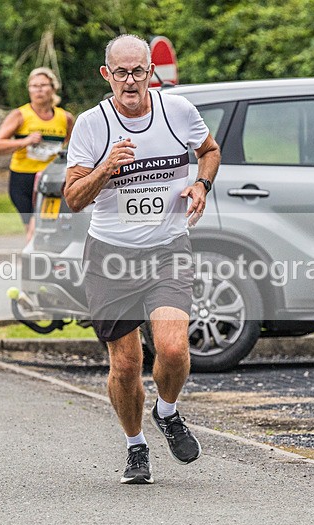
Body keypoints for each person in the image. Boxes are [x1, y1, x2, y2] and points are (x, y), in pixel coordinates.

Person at [64, 34, 220, 484]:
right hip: (111, 257)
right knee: (126, 364)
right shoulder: (93, 125)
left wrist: (201, 185)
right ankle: (136, 446)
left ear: (151, 71)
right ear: (106, 75)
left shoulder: (179, 112)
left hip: (167, 249)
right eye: (121, 72)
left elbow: (209, 151)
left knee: (173, 348)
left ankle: (167, 411)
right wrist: (105, 168)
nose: (130, 82)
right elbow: (73, 198)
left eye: (138, 71)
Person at [0, 67, 74, 241]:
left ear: (53, 88)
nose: (38, 90)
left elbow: (70, 144)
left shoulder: (65, 118)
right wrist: (25, 141)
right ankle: (34, 261)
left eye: (43, 85)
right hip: (23, 179)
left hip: (51, 180)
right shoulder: (20, 115)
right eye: (34, 86)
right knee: (33, 224)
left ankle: (37, 260)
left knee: (42, 224)